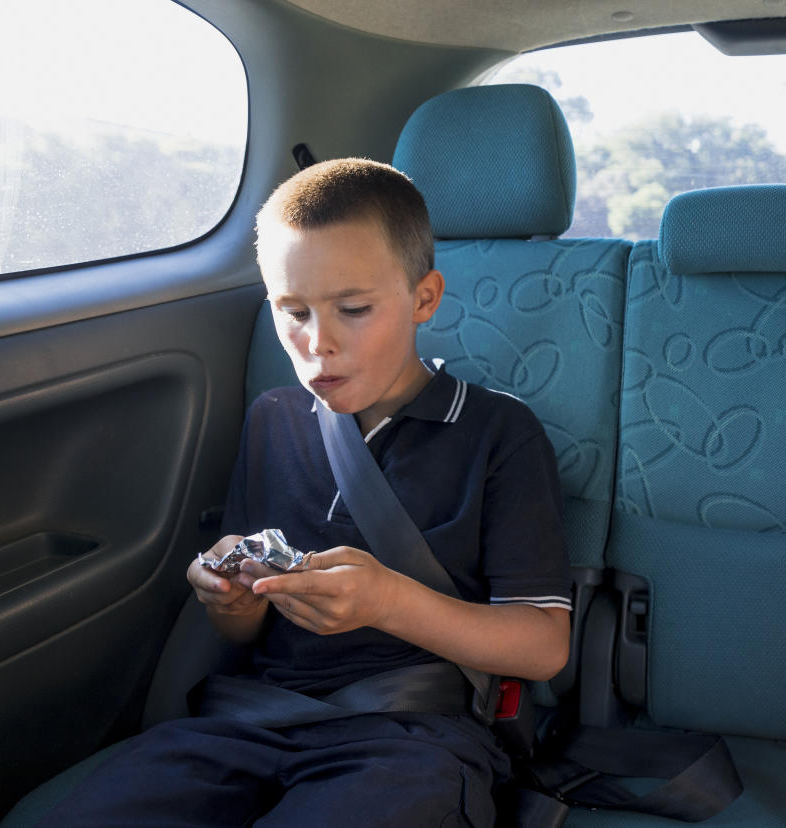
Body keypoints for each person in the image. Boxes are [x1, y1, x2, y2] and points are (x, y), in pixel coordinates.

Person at [39, 158, 572, 826]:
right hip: (249, 720)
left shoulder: (499, 432)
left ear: (424, 298)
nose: (318, 344)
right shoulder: (275, 419)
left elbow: (544, 644)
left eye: (353, 310)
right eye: (293, 313)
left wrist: (386, 601)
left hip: (411, 732)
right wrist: (227, 594)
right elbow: (243, 625)